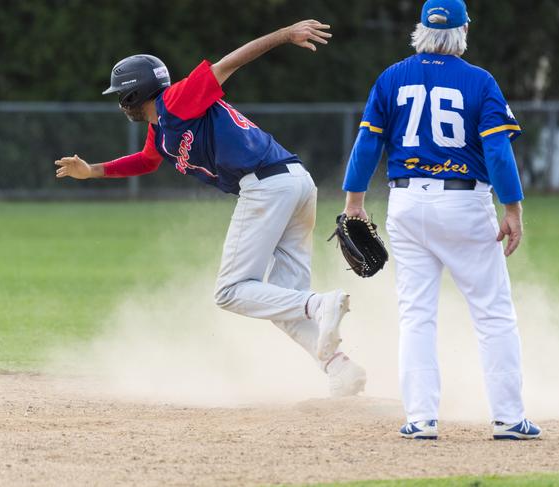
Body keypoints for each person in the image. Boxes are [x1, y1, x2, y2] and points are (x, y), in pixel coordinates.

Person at [55, 20, 366, 397]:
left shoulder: (177, 100)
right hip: (294, 183)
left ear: (134, 96)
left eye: (122, 95)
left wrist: (285, 35)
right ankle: (339, 368)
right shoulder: (162, 129)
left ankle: (321, 303)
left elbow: (228, 64)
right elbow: (147, 161)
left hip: (266, 186)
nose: (120, 103)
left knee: (232, 291)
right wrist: (93, 171)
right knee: (282, 303)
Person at [342, 0, 541, 439]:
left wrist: (354, 201)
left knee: (416, 315)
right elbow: (497, 151)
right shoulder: (479, 81)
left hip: (407, 204)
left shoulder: (392, 77)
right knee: (492, 314)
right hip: (464, 205)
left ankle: (420, 419)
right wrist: (513, 208)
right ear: (463, 30)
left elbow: (367, 144)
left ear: (420, 31)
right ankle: (509, 419)